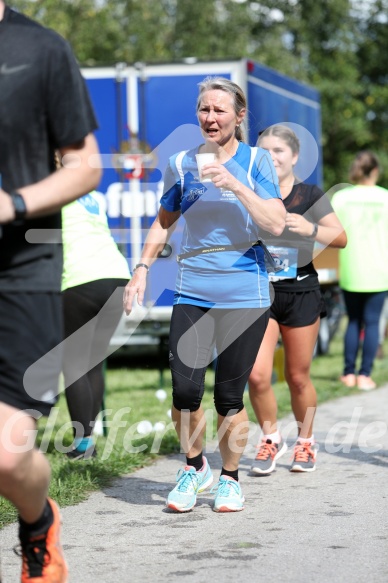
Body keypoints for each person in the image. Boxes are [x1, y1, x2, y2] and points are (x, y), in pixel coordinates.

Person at [124, 76, 286, 512]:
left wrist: (233, 184)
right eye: (204, 109)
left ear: (239, 115)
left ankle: (230, 479)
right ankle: (195, 467)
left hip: (244, 290)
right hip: (192, 286)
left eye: (219, 110)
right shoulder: (180, 163)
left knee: (229, 396)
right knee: (184, 391)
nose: (210, 117)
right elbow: (163, 221)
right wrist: (140, 269)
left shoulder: (256, 161)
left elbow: (275, 223)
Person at [0, 3, 101, 581]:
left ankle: (38, 524)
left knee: (8, 453)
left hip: (20, 268)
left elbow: (84, 166)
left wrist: (13, 204)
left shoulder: (40, 49)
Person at [248, 124, 346, 475]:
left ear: (294, 157)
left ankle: (306, 442)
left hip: (301, 291)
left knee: (297, 376)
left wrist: (311, 230)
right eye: (264, 151)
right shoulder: (250, 192)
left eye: (278, 151)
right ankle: (271, 438)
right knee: (257, 376)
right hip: (260, 292)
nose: (271, 157)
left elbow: (341, 238)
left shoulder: (309, 194)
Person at [61, 192, 130, 460]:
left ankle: (83, 444)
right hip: (116, 274)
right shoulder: (95, 196)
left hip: (81, 277)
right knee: (93, 361)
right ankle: (89, 438)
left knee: (74, 362)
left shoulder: (55, 192)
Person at [331, 151, 388, 390]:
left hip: (351, 268)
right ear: (375, 171)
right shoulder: (386, 197)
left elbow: (330, 233)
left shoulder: (341, 198)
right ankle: (365, 375)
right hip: (380, 270)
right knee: (373, 323)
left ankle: (348, 374)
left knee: (353, 321)